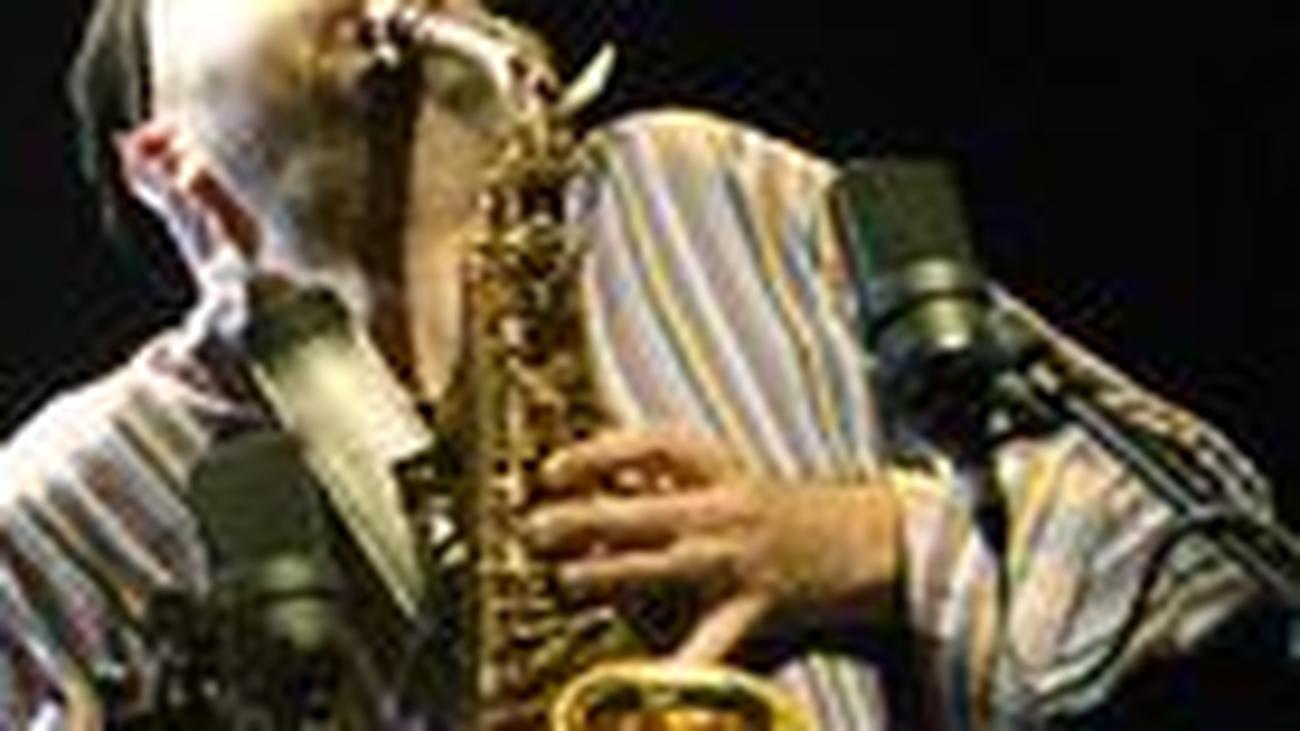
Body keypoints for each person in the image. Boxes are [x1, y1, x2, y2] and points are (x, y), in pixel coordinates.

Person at [0, 0, 1272, 727]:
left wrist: (859, 541)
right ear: (160, 157)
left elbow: (1209, 538)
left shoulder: (710, 186)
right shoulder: (83, 489)